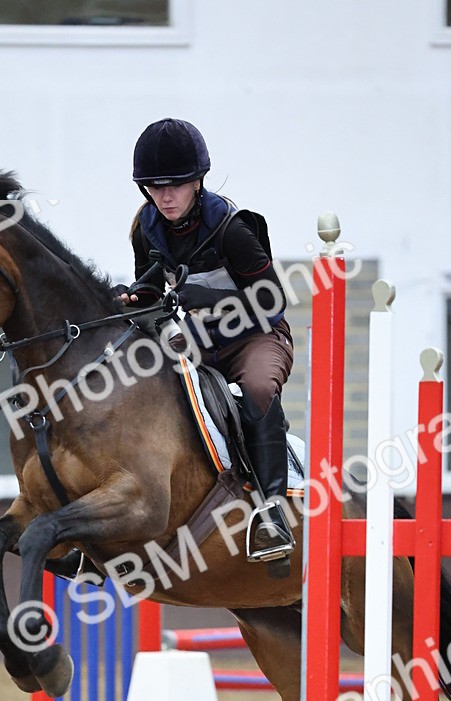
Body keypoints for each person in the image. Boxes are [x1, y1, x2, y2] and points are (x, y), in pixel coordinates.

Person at [118, 117, 295, 562]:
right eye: (155, 188)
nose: (166, 197)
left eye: (175, 185)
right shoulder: (147, 229)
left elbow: (273, 300)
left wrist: (209, 297)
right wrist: (137, 297)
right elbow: (154, 288)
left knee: (255, 388)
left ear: (198, 181)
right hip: (195, 340)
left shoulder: (232, 228)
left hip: (255, 336)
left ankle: (272, 510)